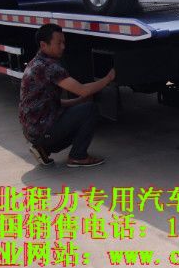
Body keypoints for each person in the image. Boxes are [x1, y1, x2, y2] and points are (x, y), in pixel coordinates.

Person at [19, 23, 115, 167]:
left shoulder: (35, 63)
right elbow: (83, 90)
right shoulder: (49, 67)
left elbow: (50, 102)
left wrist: (77, 101)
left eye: (64, 42)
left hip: (33, 131)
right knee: (90, 109)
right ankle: (78, 156)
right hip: (42, 130)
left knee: (80, 109)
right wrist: (108, 78)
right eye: (59, 43)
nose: (63, 47)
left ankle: (43, 148)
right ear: (43, 45)